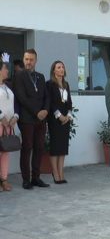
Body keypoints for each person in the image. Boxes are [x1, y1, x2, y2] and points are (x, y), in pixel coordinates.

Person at [13, 49, 50, 190]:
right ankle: (26, 180)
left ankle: (36, 178)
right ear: (23, 60)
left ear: (36, 61)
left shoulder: (40, 77)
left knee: (39, 148)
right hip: (27, 119)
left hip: (41, 120)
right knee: (27, 147)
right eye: (26, 59)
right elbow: (21, 97)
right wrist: (37, 112)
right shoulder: (19, 76)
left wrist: (45, 110)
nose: (28, 62)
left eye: (31, 59)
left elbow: (47, 97)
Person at [46, 61, 73, 184]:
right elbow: (50, 103)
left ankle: (61, 172)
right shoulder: (50, 84)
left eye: (62, 67)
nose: (61, 69)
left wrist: (68, 115)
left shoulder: (66, 84)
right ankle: (55, 173)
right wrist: (59, 116)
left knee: (62, 147)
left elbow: (69, 103)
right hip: (55, 120)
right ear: (54, 71)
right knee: (55, 147)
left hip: (65, 120)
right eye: (58, 67)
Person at [0, 53, 19, 191]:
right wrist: (2, 117)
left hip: (9, 126)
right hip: (0, 123)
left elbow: (15, 104)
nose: (7, 70)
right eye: (5, 68)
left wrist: (15, 117)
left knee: (5, 152)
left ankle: (4, 179)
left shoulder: (8, 86)